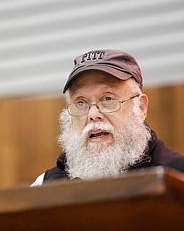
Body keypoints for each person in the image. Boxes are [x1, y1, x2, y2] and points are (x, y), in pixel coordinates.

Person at [31, 49, 184, 186]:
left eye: (108, 99)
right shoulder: (45, 186)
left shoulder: (178, 177)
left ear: (141, 108)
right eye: (81, 102)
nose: (93, 115)